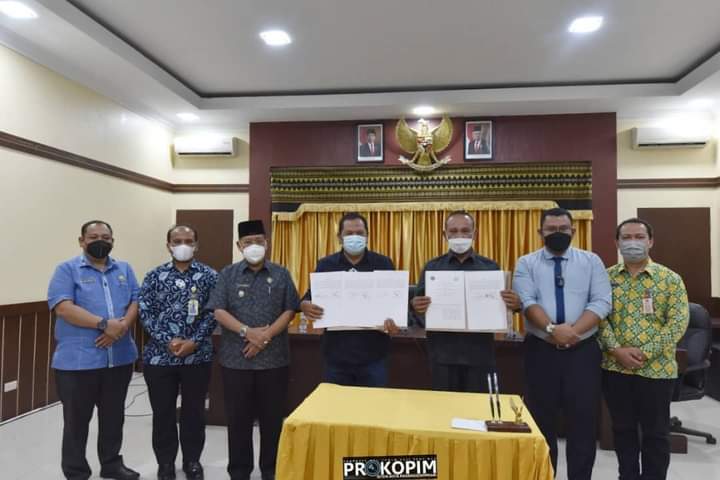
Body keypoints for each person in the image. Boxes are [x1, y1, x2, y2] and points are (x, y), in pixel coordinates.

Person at [513, 207, 612, 480]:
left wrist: (572, 333)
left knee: (583, 423)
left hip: (583, 353)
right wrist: (551, 329)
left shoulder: (591, 261)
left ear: (573, 231)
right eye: (551, 229)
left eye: (563, 229)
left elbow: (601, 302)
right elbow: (527, 301)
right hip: (540, 351)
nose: (558, 233)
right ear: (540, 232)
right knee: (540, 422)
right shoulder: (526, 263)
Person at [206, 220, 299, 480]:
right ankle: (239, 471)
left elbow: (290, 309)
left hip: (274, 360)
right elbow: (218, 311)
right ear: (239, 246)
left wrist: (265, 336)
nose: (254, 246)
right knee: (238, 420)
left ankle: (271, 470)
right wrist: (248, 333)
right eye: (248, 242)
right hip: (236, 361)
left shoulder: (281, 273)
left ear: (267, 243)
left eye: (259, 241)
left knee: (273, 420)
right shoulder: (227, 274)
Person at [47, 220, 140, 480]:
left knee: (113, 418)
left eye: (106, 237)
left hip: (119, 359)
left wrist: (121, 327)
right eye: (94, 236)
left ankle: (111, 464)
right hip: (78, 363)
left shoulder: (124, 269)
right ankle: (76, 472)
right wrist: (104, 325)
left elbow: (135, 300)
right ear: (82, 241)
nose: (100, 241)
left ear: (113, 241)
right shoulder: (66, 269)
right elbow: (63, 307)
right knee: (76, 422)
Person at [599, 218, 689, 480]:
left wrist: (645, 352)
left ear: (651, 241)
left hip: (657, 371)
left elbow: (677, 323)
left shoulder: (670, 279)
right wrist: (616, 350)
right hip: (615, 369)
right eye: (626, 237)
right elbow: (599, 318)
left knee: (656, 434)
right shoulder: (606, 278)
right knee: (622, 430)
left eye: (639, 237)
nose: (633, 243)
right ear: (617, 243)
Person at [138, 225, 218, 480]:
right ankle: (165, 463)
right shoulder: (154, 276)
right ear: (168, 245)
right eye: (177, 240)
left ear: (196, 245)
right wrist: (168, 341)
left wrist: (194, 341)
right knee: (163, 413)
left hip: (198, 356)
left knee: (194, 412)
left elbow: (215, 312)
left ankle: (192, 460)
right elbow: (145, 312)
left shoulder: (210, 276)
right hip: (159, 357)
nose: (183, 245)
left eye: (188, 240)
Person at [410, 210, 521, 392]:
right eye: (453, 231)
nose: (459, 236)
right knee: (444, 405)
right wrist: (416, 306)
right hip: (442, 355)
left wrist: (513, 304)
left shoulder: (490, 267)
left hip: (479, 355)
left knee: (477, 406)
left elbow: (503, 306)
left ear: (474, 234)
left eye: (465, 231)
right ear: (444, 234)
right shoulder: (432, 267)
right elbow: (417, 307)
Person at [300, 212, 400, 387]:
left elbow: (395, 301)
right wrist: (305, 304)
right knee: (337, 404)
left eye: (360, 233)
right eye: (349, 233)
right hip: (336, 355)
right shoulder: (325, 265)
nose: (355, 237)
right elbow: (310, 297)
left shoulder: (384, 263)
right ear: (340, 237)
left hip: (374, 354)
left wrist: (396, 320)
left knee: (374, 403)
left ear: (367, 236)